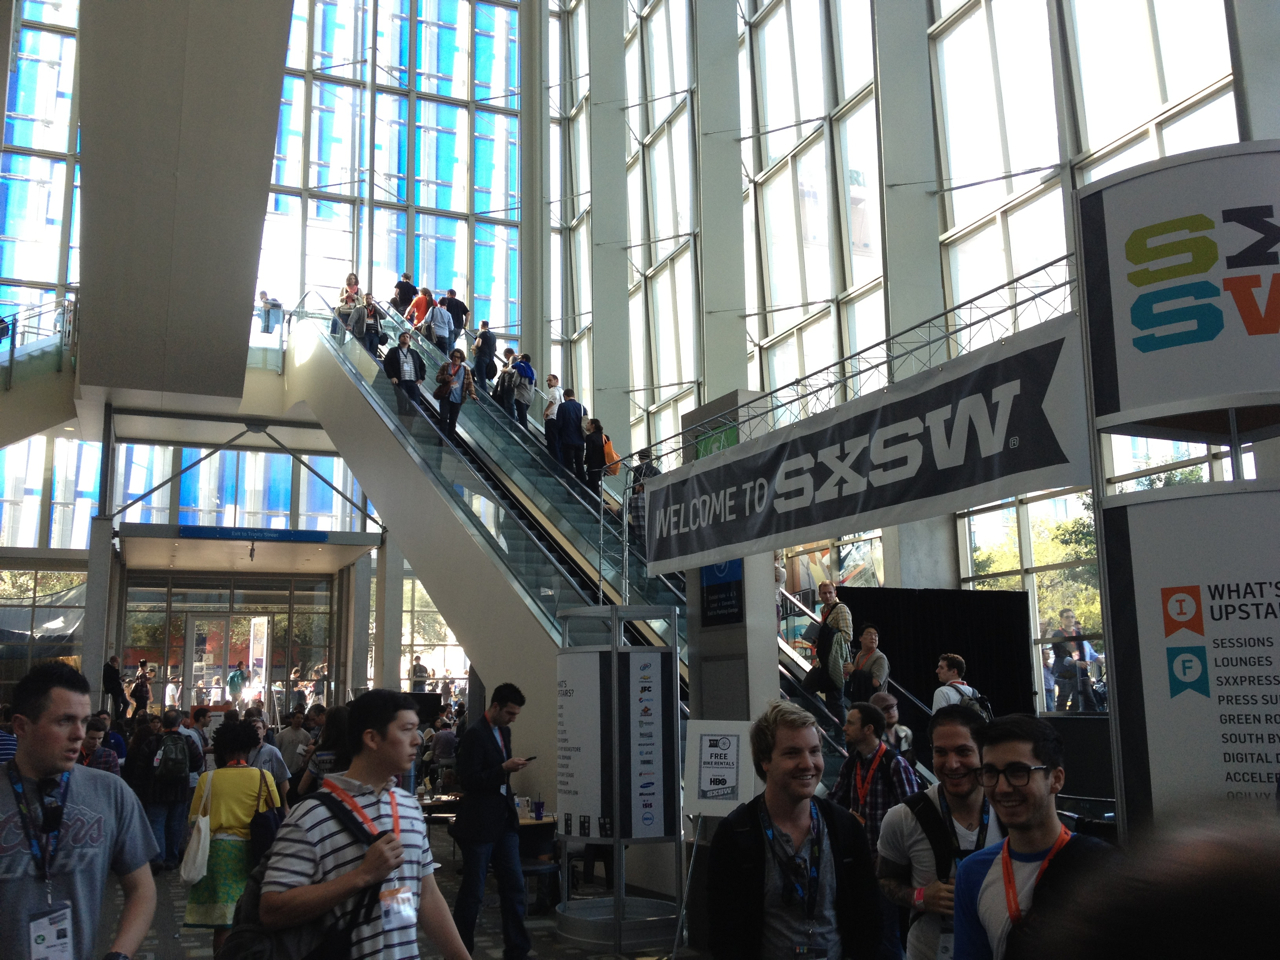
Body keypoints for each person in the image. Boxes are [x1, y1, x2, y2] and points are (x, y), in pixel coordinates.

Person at [261, 689, 470, 960]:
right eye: (406, 730)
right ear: (372, 738)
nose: (417, 740)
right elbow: (271, 910)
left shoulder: (408, 808)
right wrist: (362, 876)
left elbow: (427, 894)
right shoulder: (310, 816)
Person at [0, 662, 157, 960]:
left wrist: (119, 954)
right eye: (64, 721)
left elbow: (142, 890)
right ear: (21, 726)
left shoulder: (111, 793)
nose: (79, 734)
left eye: (84, 721)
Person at [706, 699, 880, 960]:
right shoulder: (736, 834)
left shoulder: (844, 828)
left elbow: (868, 919)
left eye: (814, 751)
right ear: (765, 760)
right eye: (792, 753)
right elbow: (724, 933)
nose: (808, 764)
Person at [952, 716, 1114, 960]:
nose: (1002, 787)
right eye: (991, 773)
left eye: (1018, 772)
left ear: (1056, 779)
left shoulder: (1102, 867)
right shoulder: (973, 873)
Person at [878, 706, 1004, 960]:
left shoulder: (1008, 811)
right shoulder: (904, 817)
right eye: (941, 752)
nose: (952, 764)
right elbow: (884, 880)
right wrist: (920, 897)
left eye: (963, 751)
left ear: (983, 752)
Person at [832, 701, 922, 960]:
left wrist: (894, 858)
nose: (844, 727)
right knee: (866, 930)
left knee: (888, 934)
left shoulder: (894, 764)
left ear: (868, 729)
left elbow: (913, 816)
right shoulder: (852, 763)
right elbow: (835, 802)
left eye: (850, 723)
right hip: (860, 862)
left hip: (887, 867)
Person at [184, 718, 282, 951]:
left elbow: (194, 820)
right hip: (256, 852)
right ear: (249, 748)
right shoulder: (263, 777)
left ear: (222, 749)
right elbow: (275, 812)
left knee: (224, 922)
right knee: (254, 916)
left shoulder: (208, 779)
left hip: (218, 855)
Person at [452, 682, 532, 959]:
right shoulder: (474, 734)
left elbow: (499, 776)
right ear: (495, 706)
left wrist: (506, 770)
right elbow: (469, 780)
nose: (513, 719)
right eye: (509, 713)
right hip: (478, 824)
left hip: (503, 820)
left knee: (515, 887)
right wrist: (503, 768)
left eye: (516, 714)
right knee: (473, 892)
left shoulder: (504, 732)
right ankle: (461, 951)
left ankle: (518, 950)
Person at [141, 708, 204, 871]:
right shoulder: (187, 740)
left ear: (162, 723)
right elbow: (198, 763)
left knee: (157, 823)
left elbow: (142, 764)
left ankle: (157, 858)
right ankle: (172, 859)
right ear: (180, 722)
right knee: (176, 824)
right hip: (180, 790)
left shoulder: (153, 741)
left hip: (156, 790)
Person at [808, 579, 852, 713]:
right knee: (807, 689)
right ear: (820, 595)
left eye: (830, 593)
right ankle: (825, 717)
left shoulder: (841, 609)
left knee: (836, 701)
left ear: (835, 593)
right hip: (824, 660)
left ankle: (837, 726)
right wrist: (819, 641)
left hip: (837, 661)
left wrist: (827, 640)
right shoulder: (823, 609)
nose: (828, 596)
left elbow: (847, 635)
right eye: (824, 593)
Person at [297, 703, 352, 796]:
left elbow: (301, 789)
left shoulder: (319, 754)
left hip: (326, 798)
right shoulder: (357, 754)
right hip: (351, 800)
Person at [1051, 610, 1099, 713]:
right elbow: (1060, 655)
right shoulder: (1057, 634)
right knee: (1063, 699)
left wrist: (1084, 665)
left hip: (1079, 671)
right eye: (1067, 617)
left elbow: (1081, 651)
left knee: (1085, 698)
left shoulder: (1077, 633)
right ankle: (1061, 720)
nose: (1070, 619)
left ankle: (1087, 717)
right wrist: (1076, 663)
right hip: (1065, 672)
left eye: (1072, 617)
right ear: (1061, 619)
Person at [247, 714, 291, 816]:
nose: (256, 731)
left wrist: (286, 806)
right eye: (252, 728)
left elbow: (283, 779)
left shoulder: (272, 752)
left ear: (264, 731)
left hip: (266, 806)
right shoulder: (243, 752)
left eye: (258, 728)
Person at [435, 347, 479, 439]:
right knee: (443, 418)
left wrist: (472, 393)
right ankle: (442, 439)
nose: (456, 359)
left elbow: (470, 383)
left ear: (461, 358)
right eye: (454, 357)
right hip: (445, 396)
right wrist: (445, 378)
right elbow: (438, 378)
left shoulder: (465, 370)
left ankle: (450, 439)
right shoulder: (446, 366)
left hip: (458, 398)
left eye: (458, 357)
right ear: (452, 357)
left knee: (453, 420)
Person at [385, 330, 429, 415]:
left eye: (407, 337)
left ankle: (408, 421)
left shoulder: (414, 353)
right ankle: (402, 420)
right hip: (400, 381)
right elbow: (387, 364)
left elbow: (422, 366)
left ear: (409, 340)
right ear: (399, 339)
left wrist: (421, 378)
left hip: (413, 382)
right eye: (403, 336)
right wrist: (392, 376)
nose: (405, 338)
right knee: (402, 403)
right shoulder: (393, 351)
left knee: (415, 404)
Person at [846, 623, 890, 704]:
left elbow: (876, 682)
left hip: (875, 704)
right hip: (858, 699)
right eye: (869, 634)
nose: (873, 637)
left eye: (876, 635)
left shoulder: (880, 658)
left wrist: (854, 671)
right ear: (860, 638)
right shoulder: (858, 654)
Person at [870, 691, 913, 767]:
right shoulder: (872, 739)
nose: (891, 712)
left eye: (893, 707)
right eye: (885, 709)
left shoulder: (906, 732)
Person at [627, 447, 661, 544]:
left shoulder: (637, 469)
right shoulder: (655, 470)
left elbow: (634, 489)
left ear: (639, 457)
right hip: (653, 503)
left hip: (638, 506)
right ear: (650, 457)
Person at [556, 387, 588, 482]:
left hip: (567, 441)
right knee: (580, 465)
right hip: (580, 441)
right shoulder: (582, 407)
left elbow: (559, 424)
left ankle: (571, 486)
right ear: (574, 396)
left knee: (568, 464)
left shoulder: (562, 406)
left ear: (565, 396)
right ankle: (583, 486)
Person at [278, 709, 313, 777]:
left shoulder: (306, 736)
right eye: (297, 718)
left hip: (299, 770)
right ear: (292, 719)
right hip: (284, 769)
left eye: (301, 718)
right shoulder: (282, 735)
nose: (299, 720)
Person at [336, 272, 367, 336]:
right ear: (348, 280)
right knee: (343, 328)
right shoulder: (344, 289)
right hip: (345, 310)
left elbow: (363, 301)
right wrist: (345, 296)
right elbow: (339, 299)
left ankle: (353, 340)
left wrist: (356, 297)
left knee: (353, 328)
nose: (352, 280)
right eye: (351, 279)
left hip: (354, 311)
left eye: (353, 278)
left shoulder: (359, 290)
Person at [355, 292, 386, 356]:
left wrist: (376, 308)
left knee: (374, 351)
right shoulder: (360, 308)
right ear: (363, 299)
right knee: (366, 351)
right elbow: (353, 318)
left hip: (375, 334)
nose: (368, 300)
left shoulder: (375, 309)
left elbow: (384, 316)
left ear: (372, 299)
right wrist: (349, 325)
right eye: (366, 298)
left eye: (370, 298)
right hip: (365, 333)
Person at [542, 373, 564, 462]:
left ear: (556, 381)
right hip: (559, 420)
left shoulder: (553, 390)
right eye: (547, 381)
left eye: (550, 380)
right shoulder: (561, 390)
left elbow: (554, 398)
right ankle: (560, 462)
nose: (548, 382)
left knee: (552, 442)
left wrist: (546, 410)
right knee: (558, 443)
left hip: (552, 418)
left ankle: (554, 462)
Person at [471, 319, 497, 392]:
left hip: (480, 359)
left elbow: (478, 344)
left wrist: (474, 347)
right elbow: (495, 349)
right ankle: (474, 390)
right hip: (489, 360)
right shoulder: (493, 336)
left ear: (481, 326)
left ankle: (483, 396)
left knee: (481, 381)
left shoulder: (481, 333)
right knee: (470, 373)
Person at [584, 418, 607, 496]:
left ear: (593, 425)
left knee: (594, 487)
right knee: (592, 484)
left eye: (588, 423)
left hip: (593, 466)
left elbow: (589, 452)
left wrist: (585, 462)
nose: (586, 425)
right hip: (603, 466)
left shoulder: (589, 437)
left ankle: (596, 502)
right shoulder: (605, 437)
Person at [494, 347, 519, 418]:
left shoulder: (513, 358)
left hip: (509, 384)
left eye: (506, 357)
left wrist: (503, 370)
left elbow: (511, 370)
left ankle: (511, 420)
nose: (506, 359)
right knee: (509, 403)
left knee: (509, 404)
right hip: (512, 385)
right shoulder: (517, 359)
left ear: (507, 354)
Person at [512, 353, 536, 427]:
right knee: (523, 416)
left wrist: (512, 385)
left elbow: (515, 382)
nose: (518, 360)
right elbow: (535, 384)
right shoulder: (534, 371)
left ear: (524, 359)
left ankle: (524, 433)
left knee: (522, 418)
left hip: (521, 396)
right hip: (530, 397)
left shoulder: (520, 368)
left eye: (520, 359)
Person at [104, 654, 128, 720]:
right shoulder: (108, 668)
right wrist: (116, 669)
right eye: (117, 662)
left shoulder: (110, 667)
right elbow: (113, 678)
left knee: (126, 703)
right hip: (115, 689)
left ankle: (121, 717)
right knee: (118, 705)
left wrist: (121, 678)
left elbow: (116, 678)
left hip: (118, 689)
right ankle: (118, 719)